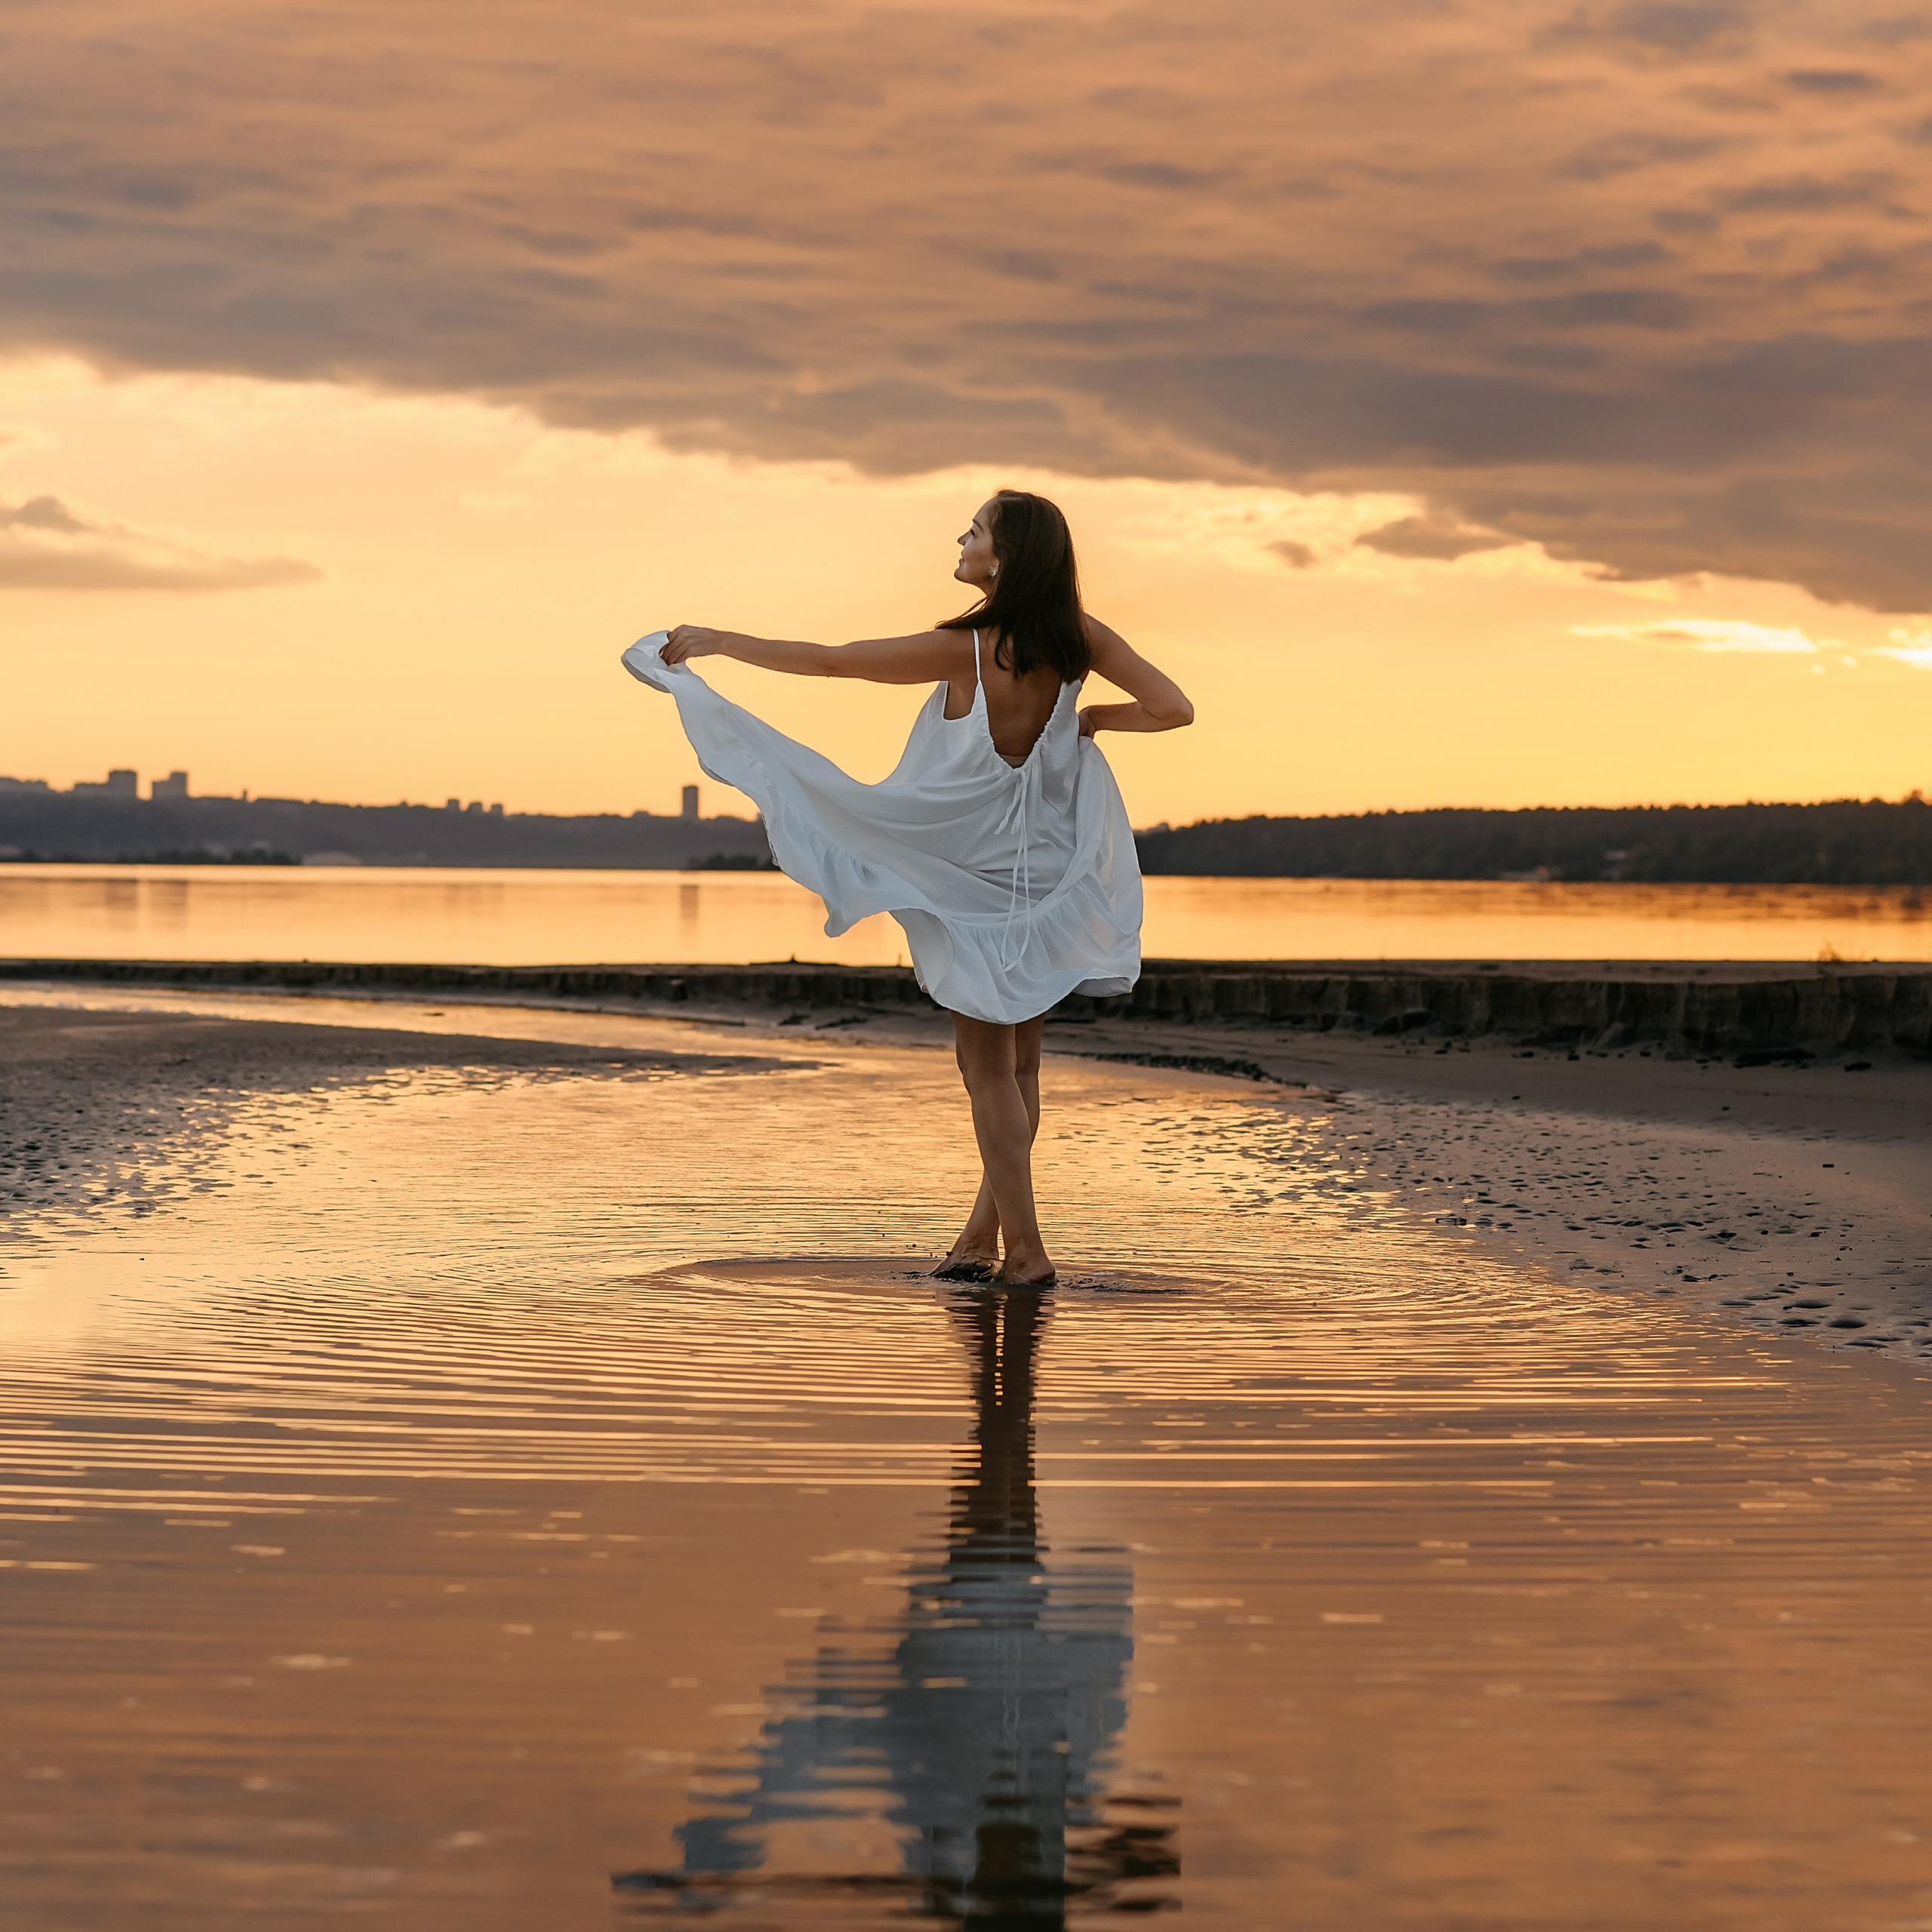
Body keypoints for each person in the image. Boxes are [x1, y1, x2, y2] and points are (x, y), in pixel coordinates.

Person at [623, 488, 1193, 1285]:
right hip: (1042, 874)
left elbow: (836, 660)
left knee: (985, 1068)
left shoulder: (970, 644)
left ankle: (1026, 1252)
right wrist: (1092, 718)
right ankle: (980, 1239)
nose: (959, 540)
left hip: (966, 878)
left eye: (975, 532)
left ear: (1004, 557)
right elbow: (1174, 709)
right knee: (1020, 1065)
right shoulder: (1080, 640)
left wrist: (722, 641)